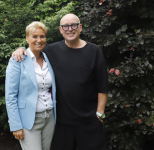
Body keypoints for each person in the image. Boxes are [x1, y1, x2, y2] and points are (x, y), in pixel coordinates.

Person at [12, 13, 109, 150]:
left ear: (80, 28)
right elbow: (34, 48)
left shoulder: (94, 52)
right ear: (60, 30)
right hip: (61, 123)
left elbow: (103, 87)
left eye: (73, 25)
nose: (70, 29)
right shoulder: (50, 51)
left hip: (89, 122)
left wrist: (99, 114)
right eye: (65, 26)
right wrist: (20, 49)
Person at [5, 21, 56, 150]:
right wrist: (15, 125)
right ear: (27, 39)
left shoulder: (48, 57)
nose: (39, 40)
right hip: (28, 120)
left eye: (42, 36)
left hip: (50, 118)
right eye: (34, 36)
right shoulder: (18, 60)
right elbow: (10, 96)